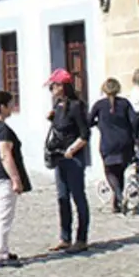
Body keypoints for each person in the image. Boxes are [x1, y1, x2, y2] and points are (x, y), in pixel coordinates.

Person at [45, 69, 91, 253]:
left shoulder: (76, 106)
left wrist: (72, 149)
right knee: (62, 197)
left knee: (78, 197)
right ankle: (65, 237)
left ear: (62, 86)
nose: (51, 89)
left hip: (73, 158)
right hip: (59, 157)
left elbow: (85, 134)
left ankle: (81, 239)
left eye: (53, 86)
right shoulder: (58, 105)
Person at [0, 91, 28, 269]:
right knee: (3, 216)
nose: (12, 107)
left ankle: (0, 249)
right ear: (2, 107)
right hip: (3, 176)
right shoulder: (2, 129)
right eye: (10, 104)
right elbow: (5, 155)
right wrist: (16, 179)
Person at [90, 78, 139, 214]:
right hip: (125, 142)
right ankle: (116, 204)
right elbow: (135, 120)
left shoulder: (99, 105)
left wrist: (99, 123)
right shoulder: (125, 103)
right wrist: (134, 135)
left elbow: (88, 121)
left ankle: (119, 196)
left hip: (108, 143)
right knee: (120, 171)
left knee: (110, 171)